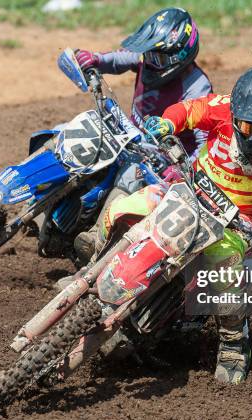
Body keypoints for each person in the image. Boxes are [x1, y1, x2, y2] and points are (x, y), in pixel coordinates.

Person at [88, 65, 252, 384]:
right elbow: (188, 109)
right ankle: (90, 274)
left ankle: (233, 345)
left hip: (239, 225)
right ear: (236, 114)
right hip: (191, 192)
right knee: (123, 208)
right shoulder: (224, 108)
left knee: (225, 270)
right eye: (246, 125)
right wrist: (167, 122)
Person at [68, 7, 213, 263]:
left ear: (180, 55)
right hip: (127, 139)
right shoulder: (147, 58)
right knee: (84, 138)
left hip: (162, 162)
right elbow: (114, 60)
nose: (151, 62)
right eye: (149, 54)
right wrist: (94, 60)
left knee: (130, 175)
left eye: (159, 58)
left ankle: (95, 239)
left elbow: (204, 144)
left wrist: (183, 169)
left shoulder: (198, 87)